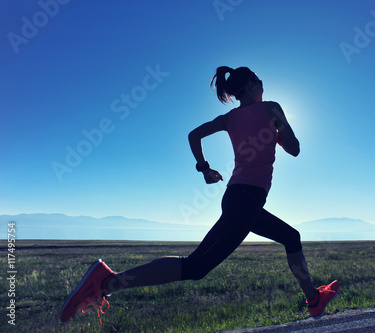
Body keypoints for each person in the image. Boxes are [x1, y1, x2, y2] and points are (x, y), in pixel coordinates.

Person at [59, 66, 339, 324]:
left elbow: (194, 135)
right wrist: (278, 131)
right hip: (246, 201)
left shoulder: (230, 117)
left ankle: (313, 300)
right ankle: (106, 283)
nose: (263, 86)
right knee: (195, 267)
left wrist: (204, 169)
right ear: (253, 84)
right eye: (261, 82)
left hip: (241, 199)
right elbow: (295, 148)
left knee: (291, 237)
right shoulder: (271, 108)